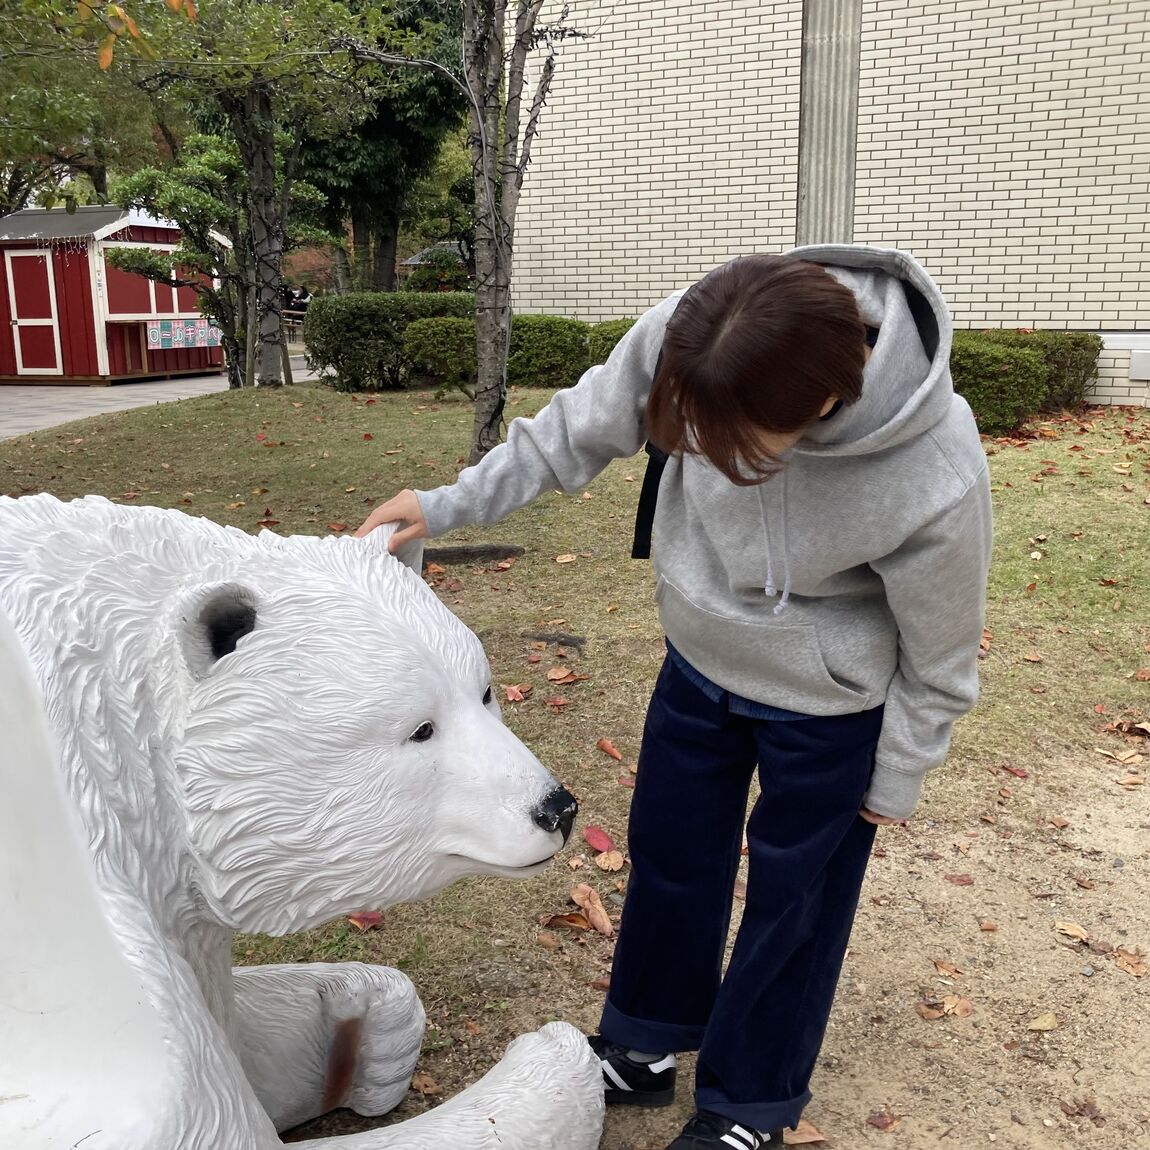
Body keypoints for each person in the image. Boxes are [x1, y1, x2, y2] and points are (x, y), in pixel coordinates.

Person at [355, 246, 993, 1149]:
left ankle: (747, 1103)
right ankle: (644, 1046)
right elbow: (575, 429)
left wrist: (899, 771)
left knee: (795, 904)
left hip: (831, 703)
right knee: (671, 854)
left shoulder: (934, 465)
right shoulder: (698, 331)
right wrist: (444, 503)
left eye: (728, 446)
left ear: (817, 407)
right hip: (699, 657)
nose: (699, 455)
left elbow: (943, 645)